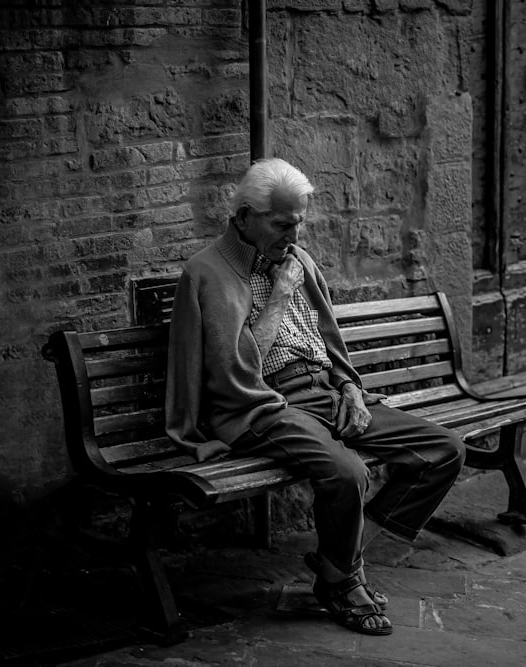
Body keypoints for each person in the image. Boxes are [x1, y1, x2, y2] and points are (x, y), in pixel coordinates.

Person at [164, 157, 466, 636]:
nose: (294, 237)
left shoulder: (297, 259)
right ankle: (344, 581)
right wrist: (281, 293)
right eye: (282, 224)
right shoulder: (207, 273)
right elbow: (238, 371)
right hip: (262, 403)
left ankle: (336, 566)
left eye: (298, 224)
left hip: (324, 389)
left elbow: (329, 336)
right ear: (244, 216)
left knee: (443, 450)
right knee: (348, 471)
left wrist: (350, 387)